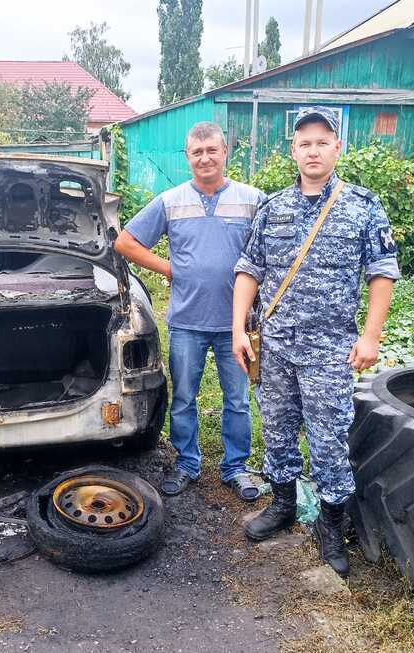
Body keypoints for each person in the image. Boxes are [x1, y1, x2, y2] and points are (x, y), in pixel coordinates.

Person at [231, 107, 400, 577]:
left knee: (328, 441)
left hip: (329, 350)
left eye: (322, 141)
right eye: (304, 142)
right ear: (294, 150)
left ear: (337, 147)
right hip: (277, 346)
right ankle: (282, 504)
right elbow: (249, 269)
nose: (313, 150)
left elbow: (382, 273)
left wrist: (371, 335)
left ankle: (330, 524)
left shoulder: (363, 206)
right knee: (278, 429)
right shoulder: (273, 207)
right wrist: (238, 328)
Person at [115, 121, 266, 500]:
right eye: (197, 152)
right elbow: (126, 242)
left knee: (237, 399)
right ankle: (187, 463)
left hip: (238, 325)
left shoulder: (253, 200)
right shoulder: (171, 200)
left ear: (225, 152)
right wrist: (169, 268)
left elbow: (273, 252)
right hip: (187, 322)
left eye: (212, 150)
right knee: (183, 397)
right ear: (188, 157)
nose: (205, 158)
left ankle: (236, 468)